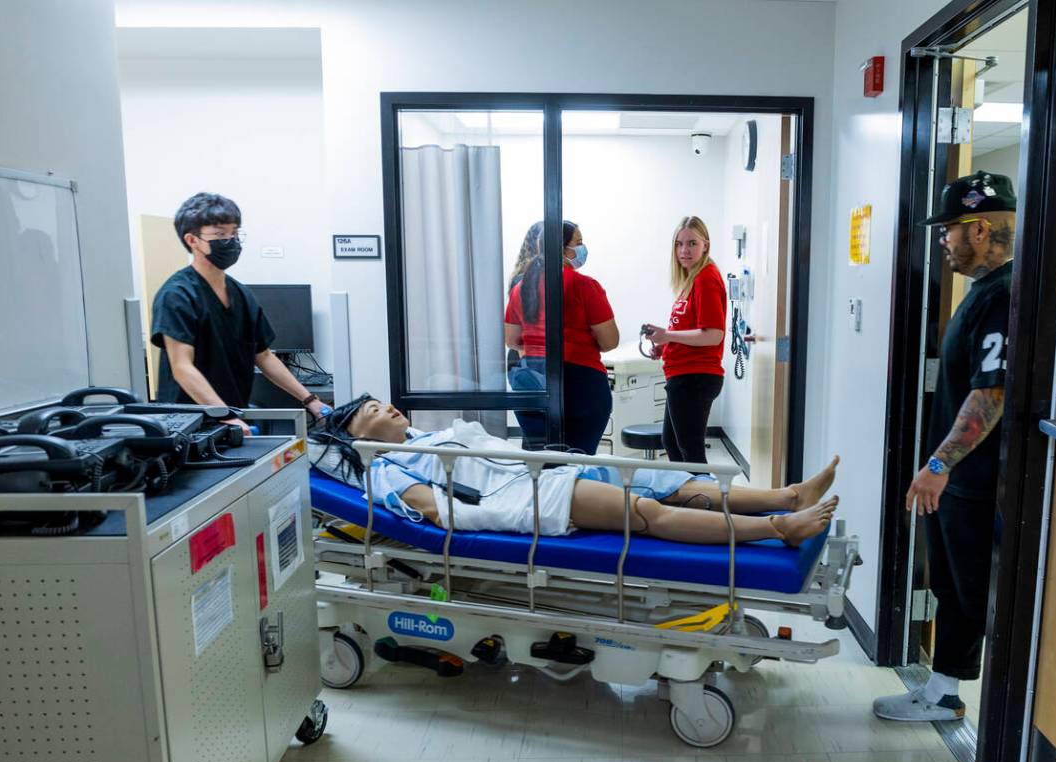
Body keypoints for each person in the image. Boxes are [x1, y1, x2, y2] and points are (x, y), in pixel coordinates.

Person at [310, 395, 840, 546]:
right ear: (357, 437)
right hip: (529, 497)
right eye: (374, 411)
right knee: (646, 512)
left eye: (386, 403)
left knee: (664, 480)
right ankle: (776, 530)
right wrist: (501, 514)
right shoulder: (384, 471)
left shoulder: (425, 438)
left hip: (539, 473)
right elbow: (435, 510)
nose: (390, 409)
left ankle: (787, 496)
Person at [873, 171, 1017, 722]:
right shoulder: (984, 293)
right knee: (953, 584)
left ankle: (948, 695)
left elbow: (992, 396)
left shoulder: (1002, 297)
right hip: (960, 477)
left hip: (973, 480)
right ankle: (943, 690)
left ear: (980, 229)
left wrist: (939, 463)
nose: (942, 241)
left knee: (967, 587)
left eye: (949, 230)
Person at [149, 192, 331, 434]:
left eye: (234, 233)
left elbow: (264, 356)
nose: (231, 240)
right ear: (192, 240)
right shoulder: (178, 295)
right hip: (189, 425)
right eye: (220, 234)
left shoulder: (240, 294)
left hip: (233, 417)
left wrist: (310, 401)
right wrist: (223, 414)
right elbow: (182, 367)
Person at [504, 221, 619, 454]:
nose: (582, 247)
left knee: (544, 468)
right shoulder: (584, 285)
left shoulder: (522, 287)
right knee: (578, 465)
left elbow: (512, 340)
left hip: (531, 382)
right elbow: (610, 341)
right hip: (581, 385)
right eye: (578, 242)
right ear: (562, 249)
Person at [642, 216, 728, 464]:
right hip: (683, 374)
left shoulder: (706, 278)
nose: (684, 250)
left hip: (696, 377)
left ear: (706, 245)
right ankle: (689, 500)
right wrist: (665, 344)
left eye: (692, 243)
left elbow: (714, 334)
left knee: (690, 452)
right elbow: (691, 329)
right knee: (673, 445)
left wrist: (668, 335)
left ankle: (702, 501)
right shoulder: (690, 280)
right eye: (679, 244)